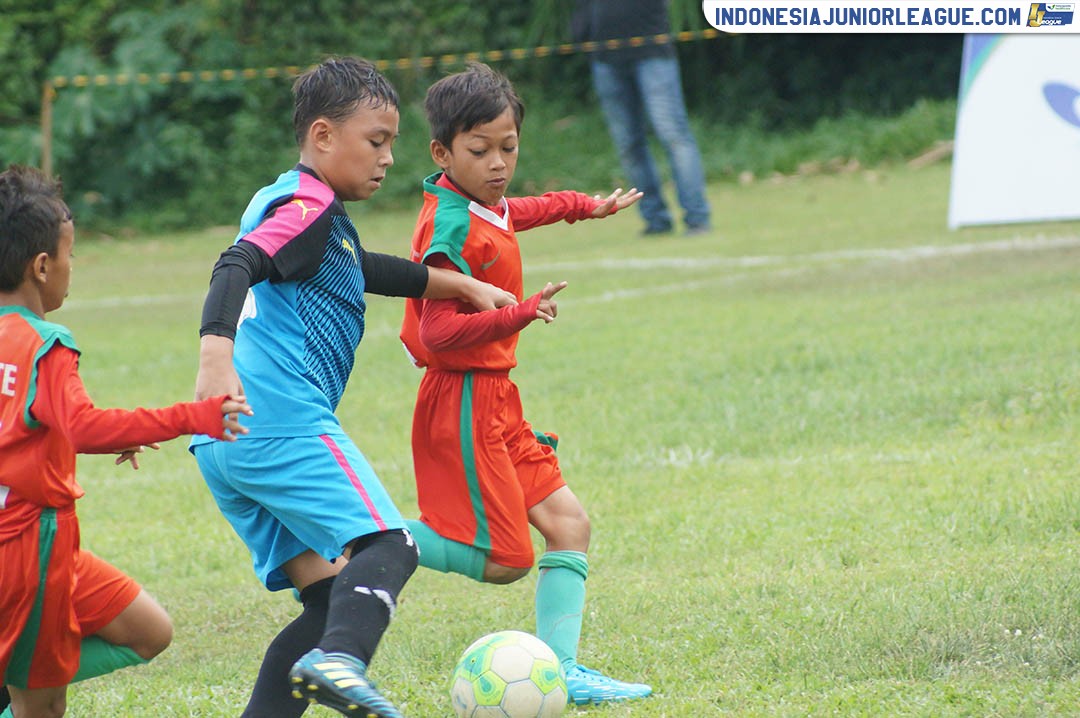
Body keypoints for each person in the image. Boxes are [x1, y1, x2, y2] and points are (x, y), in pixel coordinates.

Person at [189, 57, 518, 718]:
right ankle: (342, 661)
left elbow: (357, 266)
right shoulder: (308, 205)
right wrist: (213, 357)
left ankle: (312, 667)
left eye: (392, 143)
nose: (389, 158)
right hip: (277, 417)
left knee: (327, 599)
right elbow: (237, 264)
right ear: (321, 136)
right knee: (389, 544)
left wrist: (458, 284)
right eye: (376, 141)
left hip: (226, 443)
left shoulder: (295, 204)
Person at [398, 62, 651, 706]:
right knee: (508, 559)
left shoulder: (485, 204)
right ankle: (366, 538)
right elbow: (437, 335)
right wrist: (518, 310)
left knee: (569, 525)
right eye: (479, 150)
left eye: (508, 147)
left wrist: (585, 207)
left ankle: (563, 673)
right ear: (443, 152)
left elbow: (525, 210)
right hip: (459, 399)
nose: (497, 163)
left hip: (498, 397)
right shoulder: (449, 225)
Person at [0, 164, 251, 718]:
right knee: (42, 708)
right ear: (42, 266)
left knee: (149, 630)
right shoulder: (47, 344)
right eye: (70, 255)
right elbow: (84, 425)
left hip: (44, 545)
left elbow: (37, 424)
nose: (72, 267)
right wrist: (196, 415)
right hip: (29, 545)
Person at [572, 0, 712, 236]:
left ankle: (697, 218)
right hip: (605, 59)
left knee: (674, 136)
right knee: (629, 144)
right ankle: (656, 220)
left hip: (652, 51)